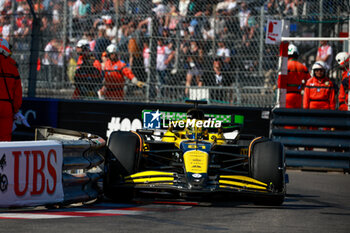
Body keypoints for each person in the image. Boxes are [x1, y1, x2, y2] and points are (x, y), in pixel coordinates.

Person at [0, 37, 22, 141]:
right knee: (5, 139)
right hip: (7, 107)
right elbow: (17, 92)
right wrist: (15, 109)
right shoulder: (13, 65)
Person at [286, 44, 310, 109]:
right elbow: (309, 81)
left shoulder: (285, 66)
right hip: (298, 95)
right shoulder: (303, 67)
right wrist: (301, 87)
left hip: (286, 95)